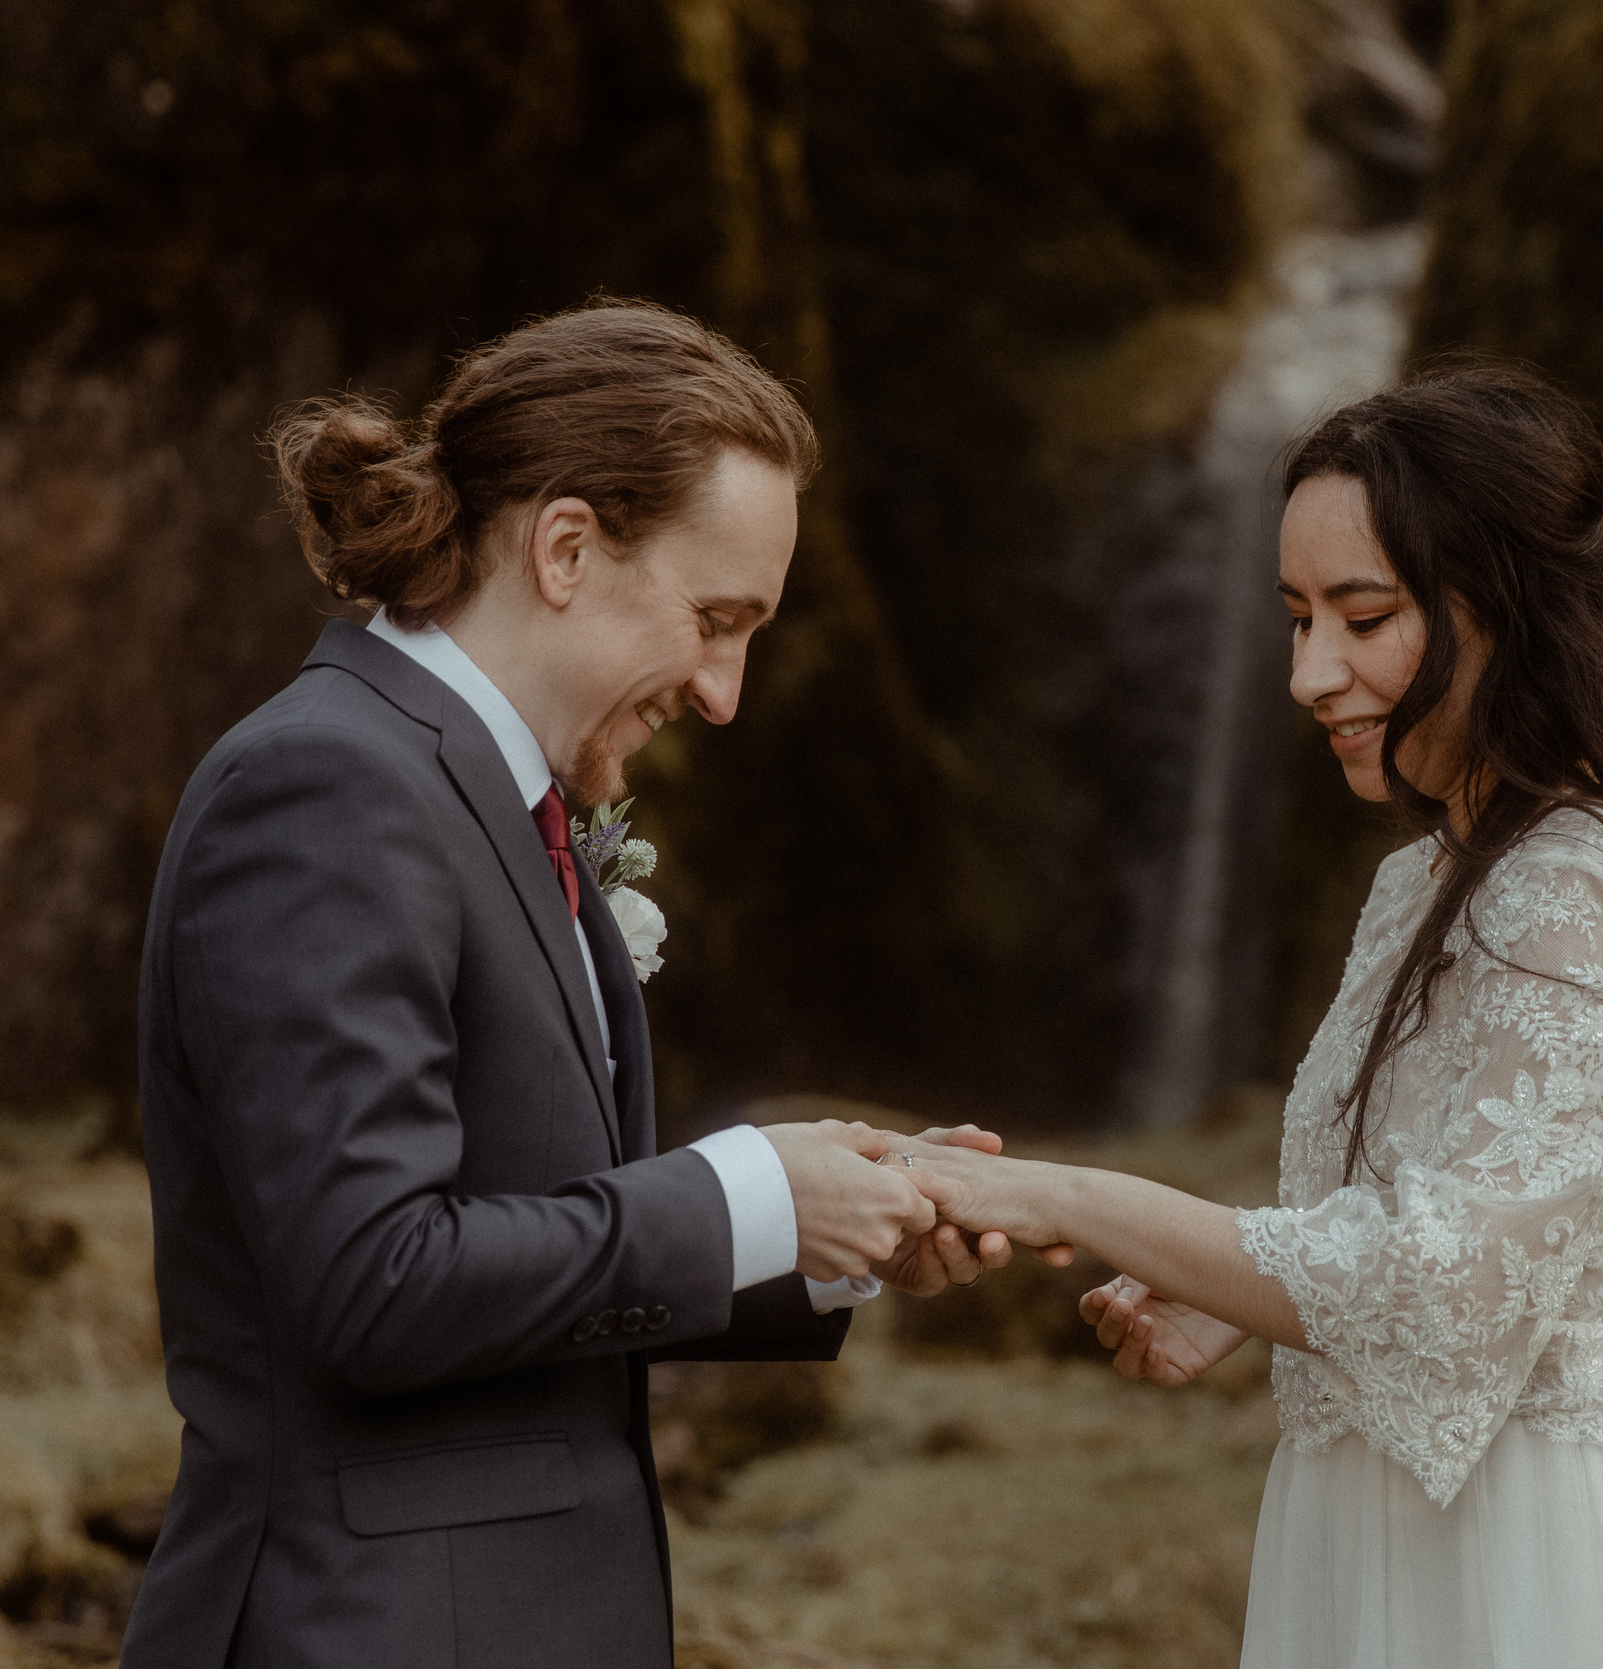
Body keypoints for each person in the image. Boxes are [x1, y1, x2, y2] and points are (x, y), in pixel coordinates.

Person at [123, 299, 1021, 1669]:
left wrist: (818, 1238)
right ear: (564, 548)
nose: (724, 692)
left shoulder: (495, 799)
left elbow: (532, 1238)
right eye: (714, 620)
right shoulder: (326, 786)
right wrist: (745, 1196)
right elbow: (371, 1283)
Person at [897, 360, 1603, 1666]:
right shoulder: (1423, 883)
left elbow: (1450, 1292)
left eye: (1363, 616)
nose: (1308, 673)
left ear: (1509, 610)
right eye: (1295, 620)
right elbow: (1439, 1204)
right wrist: (1238, 1292)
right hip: (1383, 1541)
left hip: (1541, 1569)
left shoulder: (1582, 880)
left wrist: (1064, 1197)